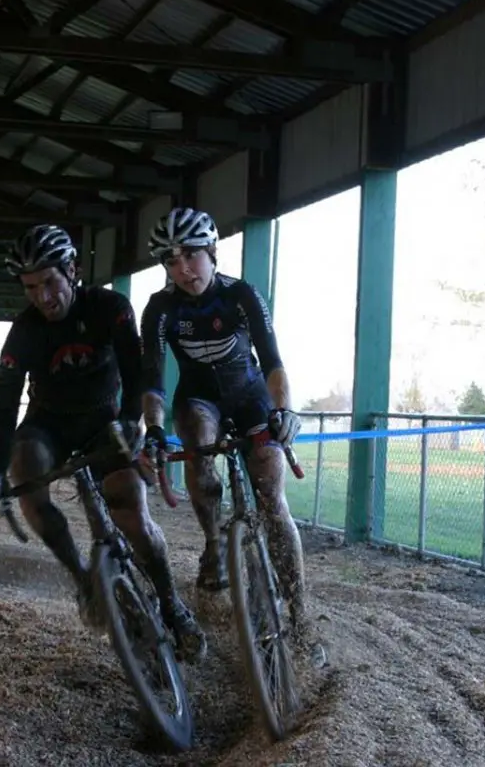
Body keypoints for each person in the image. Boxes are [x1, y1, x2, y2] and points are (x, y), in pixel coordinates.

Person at [0, 223, 206, 661]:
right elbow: (5, 409)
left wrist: (129, 421)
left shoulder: (109, 307)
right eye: (30, 287)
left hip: (106, 418)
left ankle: (171, 604)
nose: (42, 297)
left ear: (72, 271)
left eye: (49, 282)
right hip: (47, 423)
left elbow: (136, 369)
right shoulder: (24, 331)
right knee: (23, 469)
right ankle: (84, 580)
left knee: (131, 511)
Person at [138, 206, 325, 668]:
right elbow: (153, 381)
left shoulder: (242, 295)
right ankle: (214, 543)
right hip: (199, 399)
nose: (183, 268)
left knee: (273, 499)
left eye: (191, 256)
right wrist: (156, 430)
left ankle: (300, 619)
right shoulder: (160, 308)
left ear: (213, 252)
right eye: (171, 260)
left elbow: (274, 361)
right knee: (198, 436)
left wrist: (284, 410)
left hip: (250, 395)